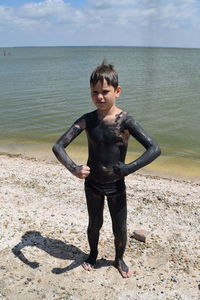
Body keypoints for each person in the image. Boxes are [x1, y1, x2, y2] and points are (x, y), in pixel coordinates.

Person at [52, 61, 161, 278]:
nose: (100, 97)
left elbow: (154, 149)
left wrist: (128, 168)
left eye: (105, 92)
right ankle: (92, 255)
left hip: (116, 185)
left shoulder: (125, 121)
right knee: (94, 224)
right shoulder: (88, 120)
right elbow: (58, 146)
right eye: (95, 92)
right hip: (92, 184)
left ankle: (119, 259)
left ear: (117, 91)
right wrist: (74, 168)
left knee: (119, 227)